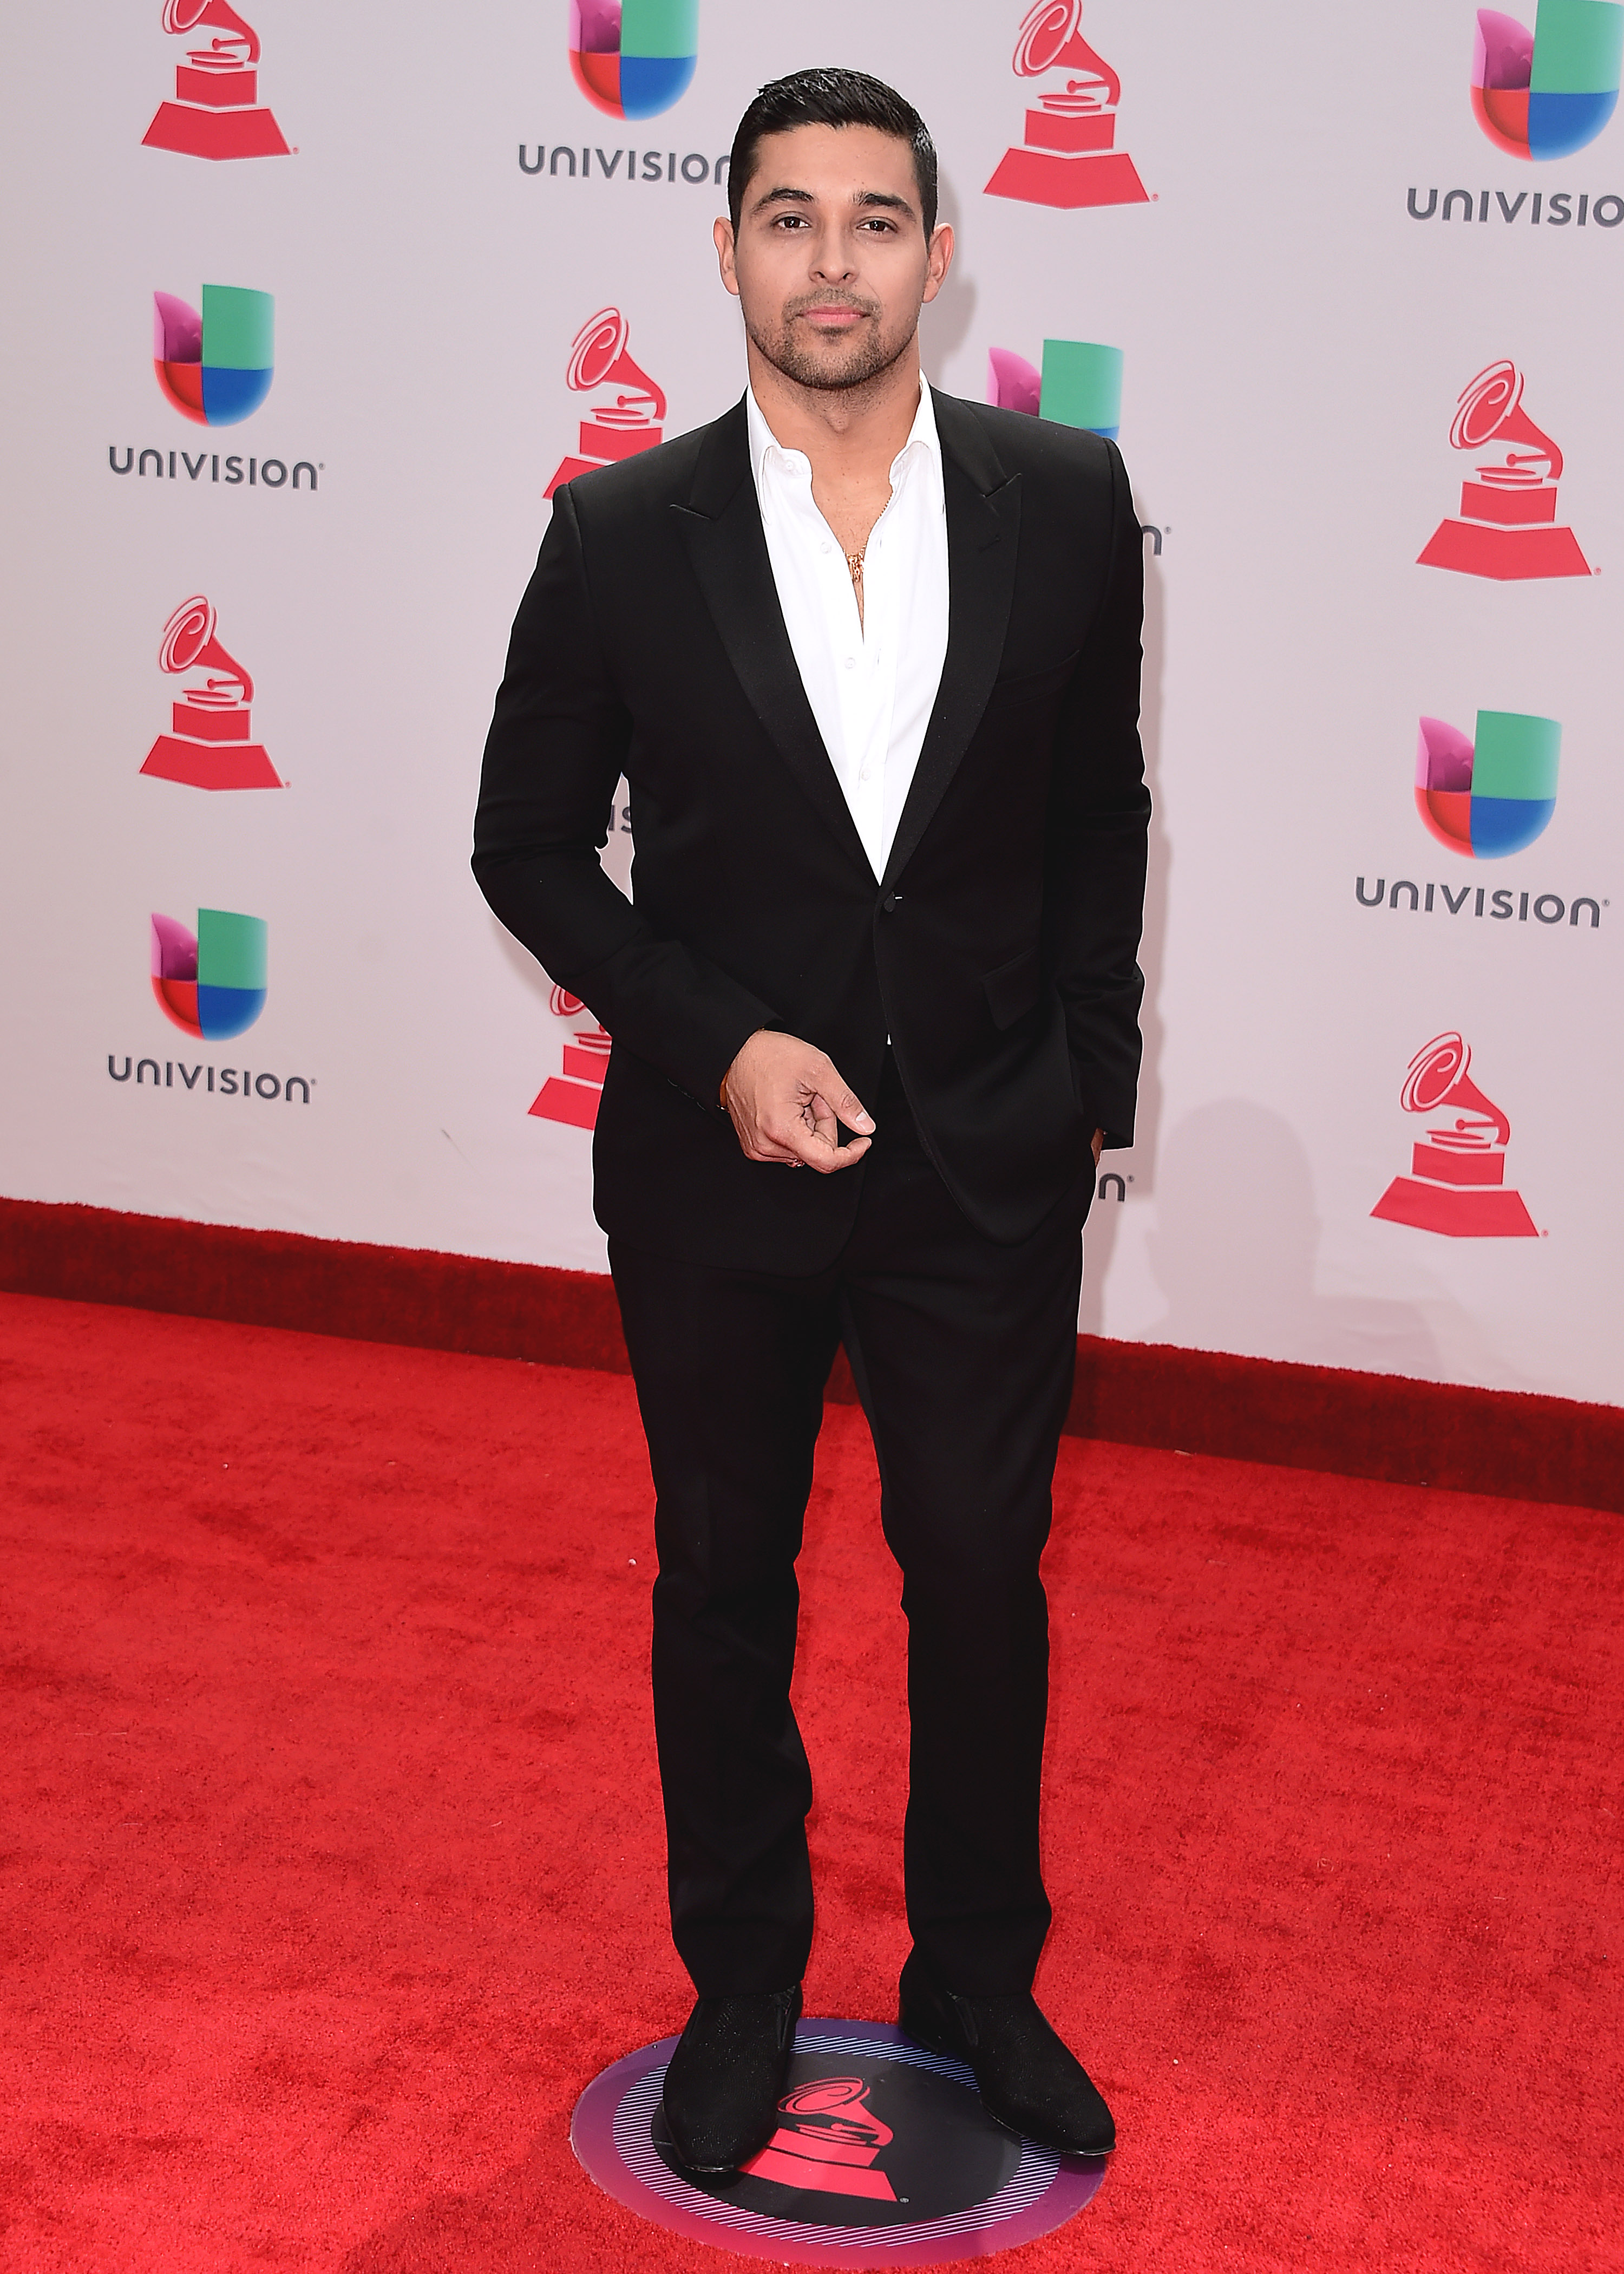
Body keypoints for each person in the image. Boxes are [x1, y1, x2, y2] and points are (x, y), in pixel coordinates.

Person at [474, 67, 1149, 2173]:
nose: (831, 262)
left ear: (940, 257)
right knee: (722, 1580)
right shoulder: (617, 533)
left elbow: (1098, 819)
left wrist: (1086, 1088)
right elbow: (527, 847)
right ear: (727, 251)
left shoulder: (1067, 496)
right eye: (790, 219)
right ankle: (747, 1982)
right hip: (716, 1170)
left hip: (985, 1161)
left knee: (983, 1579)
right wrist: (720, 1045)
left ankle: (979, 1977)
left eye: (873, 220)